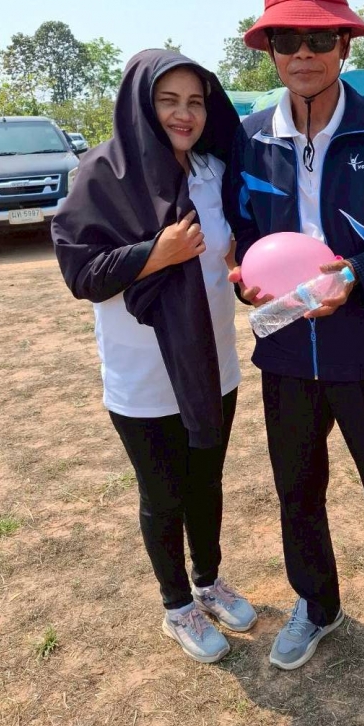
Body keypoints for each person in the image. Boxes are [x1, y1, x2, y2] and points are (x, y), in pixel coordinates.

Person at [226, 0, 364, 695]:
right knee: (297, 492)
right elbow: (243, 236)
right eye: (288, 38)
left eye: (320, 37)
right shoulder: (249, 135)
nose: (304, 53)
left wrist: (358, 277)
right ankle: (316, 606)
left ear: (345, 44)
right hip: (285, 353)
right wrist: (244, 281)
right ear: (269, 48)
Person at [52, 50, 256, 666]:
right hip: (143, 375)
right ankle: (177, 605)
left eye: (195, 102)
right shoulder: (101, 175)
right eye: (169, 101)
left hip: (213, 363)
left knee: (207, 483)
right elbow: (82, 274)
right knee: (163, 494)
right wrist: (154, 254)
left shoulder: (214, 171)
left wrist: (244, 267)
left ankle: (208, 581)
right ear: (141, 105)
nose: (183, 114)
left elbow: (228, 254)